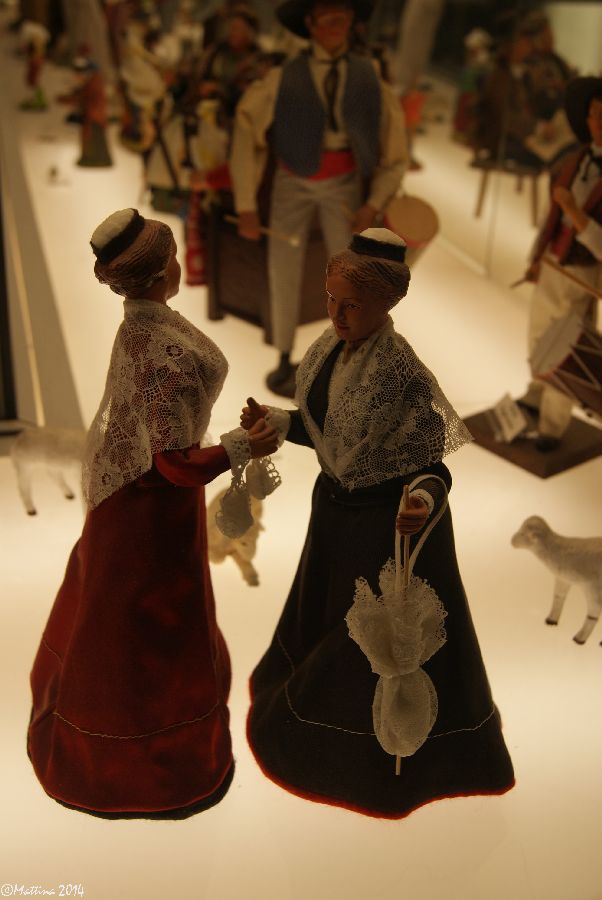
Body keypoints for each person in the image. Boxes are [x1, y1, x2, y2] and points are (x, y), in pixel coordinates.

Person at [240, 228, 515, 817]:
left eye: (352, 305)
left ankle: (373, 752)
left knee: (366, 641)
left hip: (383, 531)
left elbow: (431, 467)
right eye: (330, 299)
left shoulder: (402, 374)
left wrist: (422, 500)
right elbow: (331, 434)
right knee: (326, 614)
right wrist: (280, 423)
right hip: (333, 516)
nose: (336, 315)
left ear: (387, 303)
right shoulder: (327, 351)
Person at [27, 208, 278, 819]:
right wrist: (240, 447)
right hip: (149, 516)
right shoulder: (159, 348)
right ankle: (141, 756)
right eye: (172, 258)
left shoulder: (141, 326)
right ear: (164, 270)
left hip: (139, 503)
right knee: (149, 623)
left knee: (125, 616)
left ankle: (129, 742)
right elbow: (172, 463)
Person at [230, 0, 408, 397]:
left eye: (342, 14)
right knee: (282, 265)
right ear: (310, 23)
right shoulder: (282, 76)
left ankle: (346, 350)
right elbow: (246, 128)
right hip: (292, 179)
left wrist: (374, 202)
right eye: (326, 16)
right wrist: (245, 204)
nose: (335, 22)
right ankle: (283, 353)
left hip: (345, 180)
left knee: (352, 272)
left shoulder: (369, 75)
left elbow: (395, 148)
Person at [521, 76, 602, 451]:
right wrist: (537, 257)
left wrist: (576, 213)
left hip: (583, 270)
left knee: (567, 346)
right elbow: (549, 217)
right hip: (554, 261)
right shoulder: (575, 159)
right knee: (538, 331)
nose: (598, 123)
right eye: (594, 114)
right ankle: (535, 394)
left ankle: (553, 424)